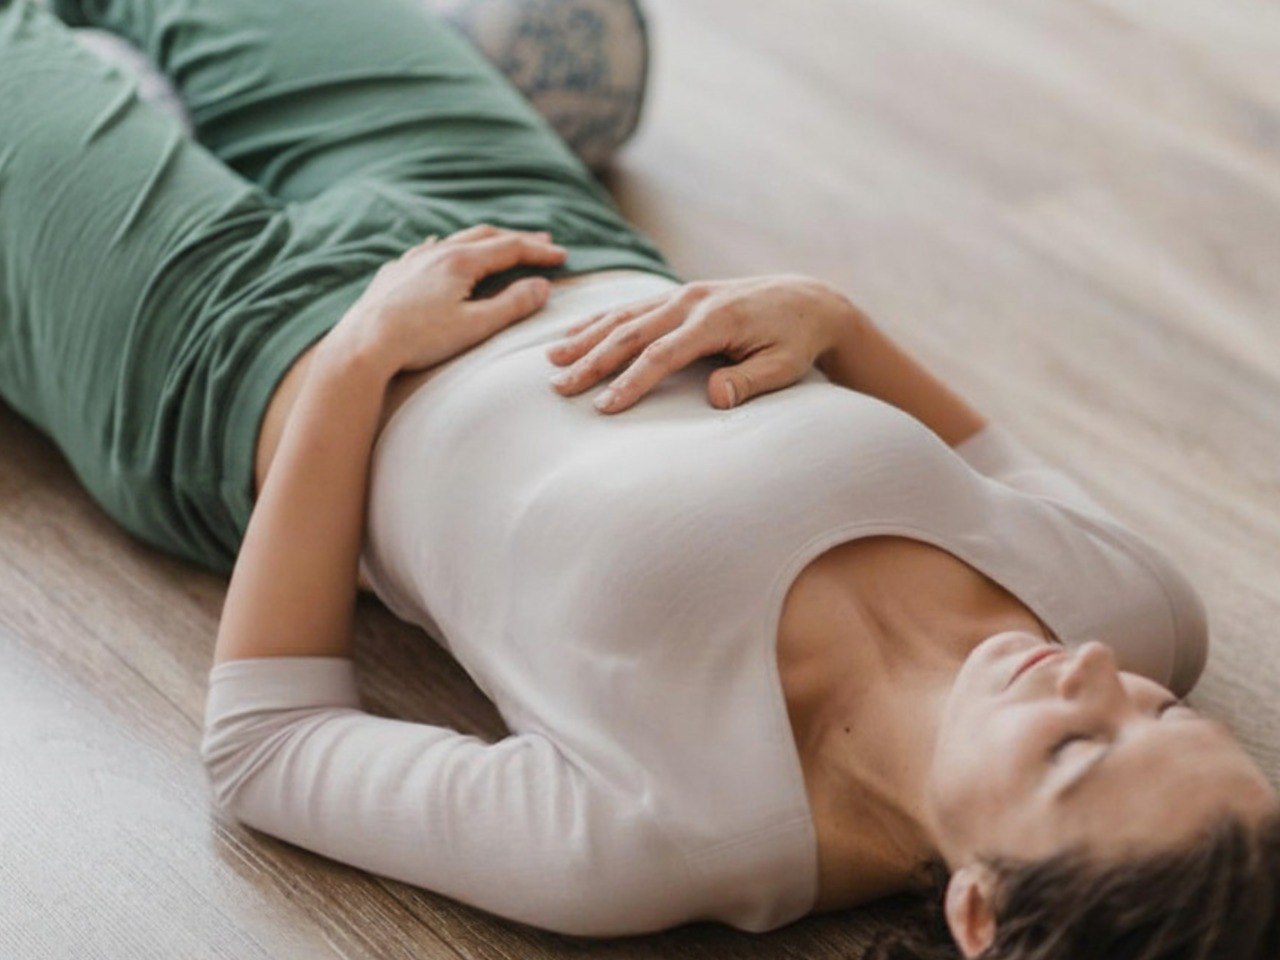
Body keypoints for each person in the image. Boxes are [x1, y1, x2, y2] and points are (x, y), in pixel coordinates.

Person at [3, 0, 1277, 955]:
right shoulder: (1139, 617)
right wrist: (825, 315)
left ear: (978, 910)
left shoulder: (667, 843)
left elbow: (264, 752)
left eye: (1072, 752)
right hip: (531, 220)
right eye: (1166, 718)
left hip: (219, 361)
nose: (1092, 678)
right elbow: (980, 453)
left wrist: (354, 363)